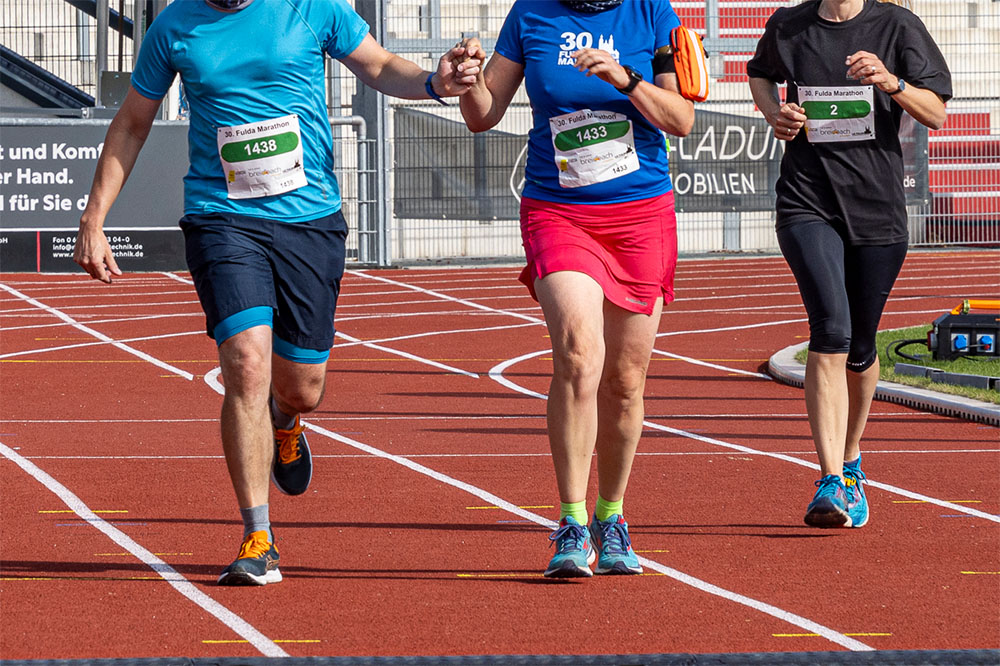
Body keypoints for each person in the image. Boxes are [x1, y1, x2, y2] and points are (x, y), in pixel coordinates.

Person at [73, 0, 480, 585]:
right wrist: (94, 218)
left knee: (303, 387)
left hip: (308, 220)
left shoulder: (311, 8)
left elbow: (379, 65)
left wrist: (435, 83)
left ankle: (287, 422)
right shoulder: (175, 26)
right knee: (245, 362)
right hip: (222, 218)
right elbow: (134, 121)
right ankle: (257, 535)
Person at [459, 0, 695, 577]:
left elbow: (681, 118)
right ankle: (569, 521)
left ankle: (610, 517)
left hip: (640, 214)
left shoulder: (653, 13)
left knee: (625, 378)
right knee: (578, 356)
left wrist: (627, 78)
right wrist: (468, 80)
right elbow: (482, 115)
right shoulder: (532, 13)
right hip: (559, 210)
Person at [747, 0, 951, 528]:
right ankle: (831, 478)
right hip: (806, 201)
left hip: (877, 209)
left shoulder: (897, 25)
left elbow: (936, 112)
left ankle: (853, 457)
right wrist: (776, 114)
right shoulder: (788, 25)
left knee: (861, 346)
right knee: (830, 330)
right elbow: (760, 75)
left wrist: (891, 82)